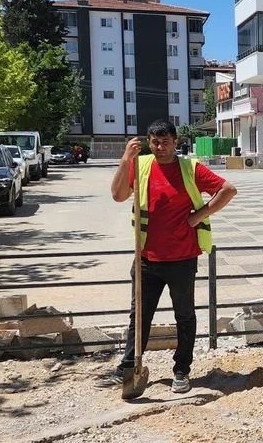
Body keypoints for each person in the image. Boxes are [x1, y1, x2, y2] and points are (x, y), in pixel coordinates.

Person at [101, 120, 237, 394]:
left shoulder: (189, 168)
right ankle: (129, 364)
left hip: (182, 259)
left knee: (184, 315)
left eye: (165, 142)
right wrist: (126, 159)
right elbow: (118, 195)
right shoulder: (140, 167)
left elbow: (228, 190)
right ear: (148, 143)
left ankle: (181, 370)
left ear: (175, 142)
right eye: (154, 142)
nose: (159, 147)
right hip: (146, 259)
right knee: (139, 315)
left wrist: (197, 216)